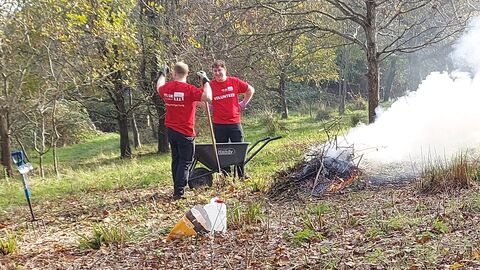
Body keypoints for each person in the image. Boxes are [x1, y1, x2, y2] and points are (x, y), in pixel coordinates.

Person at [157, 62, 212, 200]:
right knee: (186, 162)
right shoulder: (189, 89)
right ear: (187, 74)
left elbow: (159, 87)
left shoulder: (167, 88)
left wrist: (162, 73)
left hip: (171, 130)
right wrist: (205, 80)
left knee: (176, 160)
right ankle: (179, 192)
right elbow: (208, 98)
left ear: (173, 74)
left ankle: (177, 188)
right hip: (186, 132)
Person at [209, 60, 255, 178]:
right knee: (222, 151)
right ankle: (226, 176)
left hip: (234, 122)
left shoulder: (233, 81)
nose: (218, 73)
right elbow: (199, 98)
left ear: (225, 70)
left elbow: (250, 90)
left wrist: (243, 103)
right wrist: (208, 107)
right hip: (219, 124)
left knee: (239, 148)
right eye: (215, 71)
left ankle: (241, 174)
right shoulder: (210, 85)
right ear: (212, 72)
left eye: (220, 70)